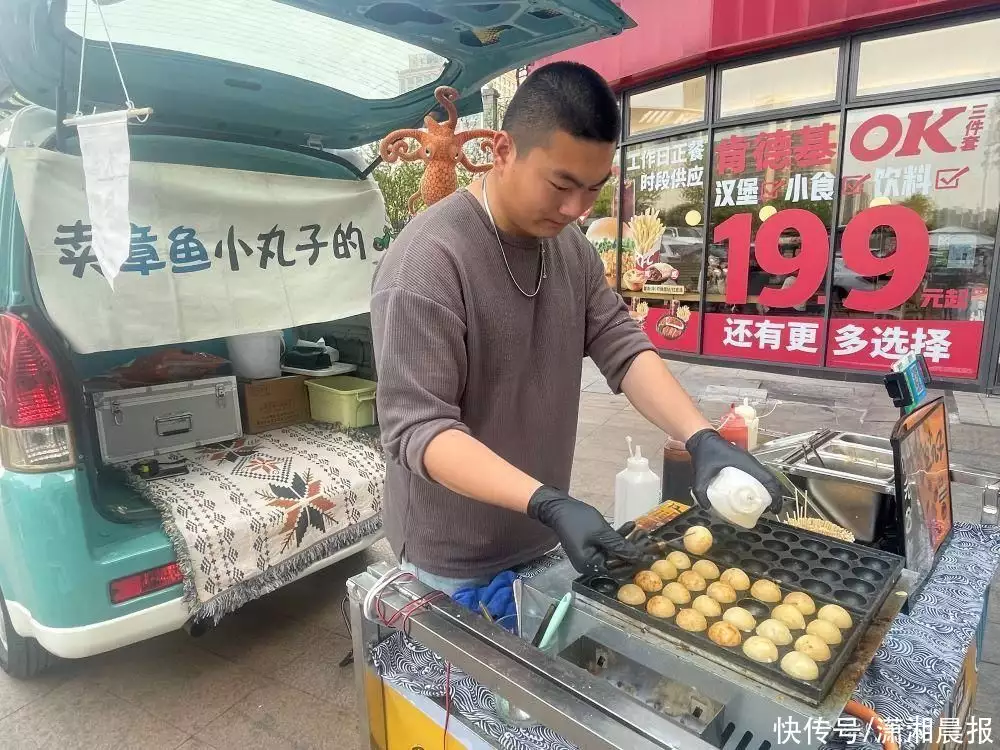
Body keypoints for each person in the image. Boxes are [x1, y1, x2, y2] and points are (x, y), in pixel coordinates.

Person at [370, 62, 781, 596]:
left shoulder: (570, 248)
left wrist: (701, 437)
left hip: (544, 532)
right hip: (453, 556)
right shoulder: (426, 262)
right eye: (561, 184)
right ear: (502, 151)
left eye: (593, 189)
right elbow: (419, 429)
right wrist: (548, 501)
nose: (576, 209)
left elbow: (621, 344)